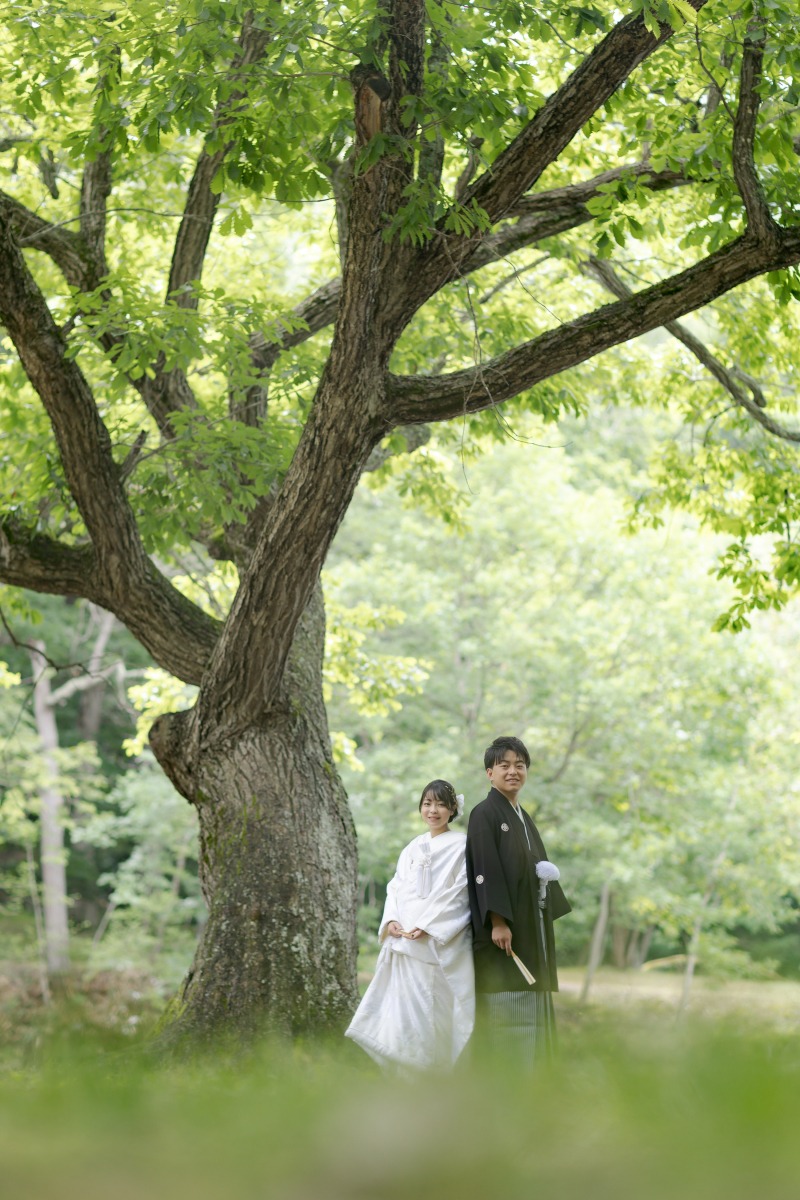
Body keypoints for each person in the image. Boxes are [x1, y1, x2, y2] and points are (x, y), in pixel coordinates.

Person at [345, 780, 475, 1072]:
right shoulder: (412, 847)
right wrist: (391, 920)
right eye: (427, 804)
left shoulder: (463, 845)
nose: (433, 810)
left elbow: (462, 890)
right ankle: (402, 1073)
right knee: (402, 1014)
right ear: (420, 807)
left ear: (453, 809)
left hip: (436, 945)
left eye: (441, 804)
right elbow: (396, 887)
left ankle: (435, 1073)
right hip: (404, 942)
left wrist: (429, 925)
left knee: (433, 1011)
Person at [466, 736, 571, 1066]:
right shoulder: (484, 813)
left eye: (520, 765)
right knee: (507, 995)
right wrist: (498, 920)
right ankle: (507, 1073)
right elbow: (485, 869)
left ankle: (534, 1072)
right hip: (503, 930)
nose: (513, 771)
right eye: (505, 765)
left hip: (529, 924)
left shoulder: (522, 816)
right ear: (489, 772)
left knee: (530, 994)